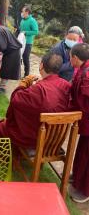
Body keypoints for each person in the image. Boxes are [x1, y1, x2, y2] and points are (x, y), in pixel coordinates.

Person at [0, 52, 71, 149]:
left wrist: (24, 83)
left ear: (41, 65)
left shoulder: (39, 89)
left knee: (0, 126)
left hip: (38, 138)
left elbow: (15, 100)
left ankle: (9, 159)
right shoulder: (66, 85)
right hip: (55, 138)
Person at [68, 43, 89, 203]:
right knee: (82, 152)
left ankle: (84, 189)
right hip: (85, 122)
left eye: (70, 57)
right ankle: (77, 177)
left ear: (75, 57)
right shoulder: (82, 69)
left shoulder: (87, 75)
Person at [20, 6, 39, 77]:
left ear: (27, 12)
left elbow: (36, 31)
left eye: (22, 11)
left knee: (25, 58)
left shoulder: (32, 20)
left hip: (28, 42)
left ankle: (26, 75)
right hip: (21, 41)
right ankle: (18, 73)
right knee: (19, 57)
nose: (21, 13)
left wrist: (26, 32)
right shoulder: (22, 20)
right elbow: (21, 29)